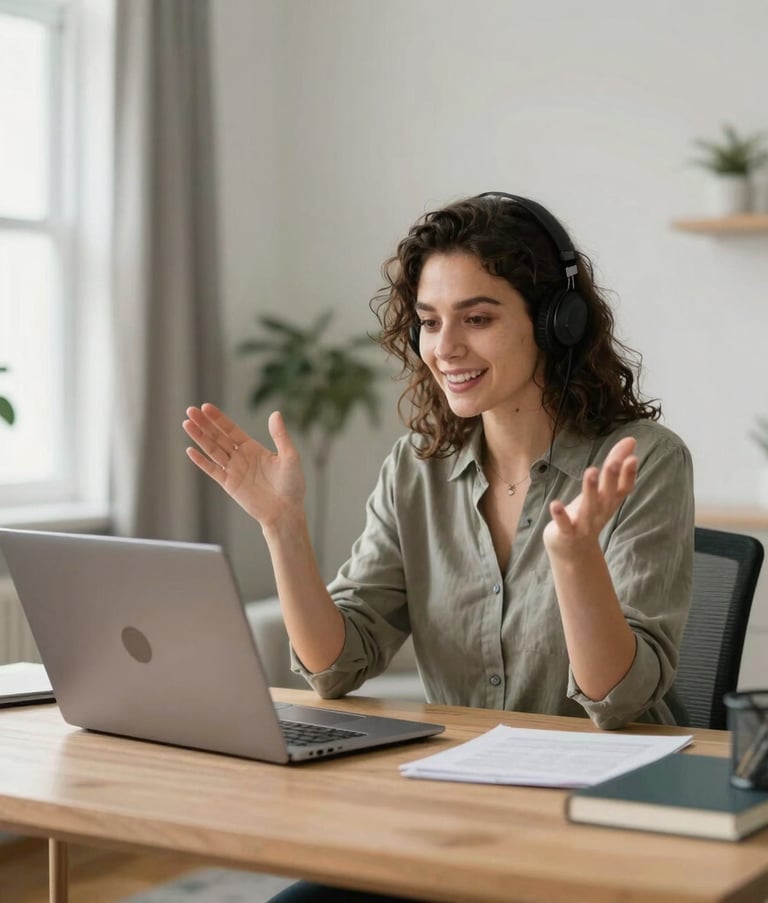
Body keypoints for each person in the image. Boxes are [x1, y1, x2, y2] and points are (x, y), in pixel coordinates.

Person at [183, 192, 694, 903]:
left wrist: (575, 561)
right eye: (429, 322)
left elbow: (620, 701)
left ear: (556, 323)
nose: (445, 348)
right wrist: (283, 528)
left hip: (605, 821)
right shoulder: (414, 470)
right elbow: (336, 666)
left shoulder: (644, 461)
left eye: (477, 318)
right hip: (459, 811)